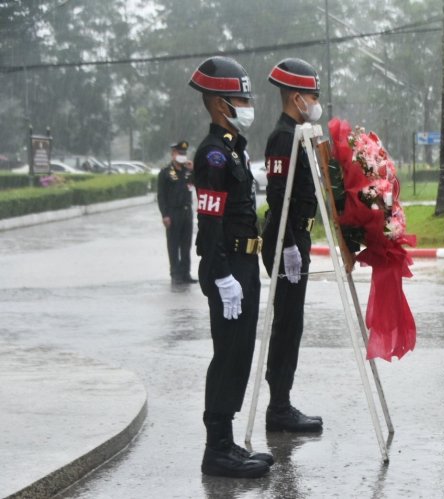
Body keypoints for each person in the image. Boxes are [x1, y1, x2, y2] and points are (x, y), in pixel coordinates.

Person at [188, 55, 273, 478]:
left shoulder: (232, 149)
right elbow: (210, 223)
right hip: (229, 268)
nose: (247, 104)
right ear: (221, 103)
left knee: (239, 352)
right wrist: (221, 275)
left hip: (244, 263)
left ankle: (227, 441)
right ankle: (215, 449)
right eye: (240, 98)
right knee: (227, 355)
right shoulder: (213, 156)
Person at [261, 58, 323, 433]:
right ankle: (278, 407)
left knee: (292, 322)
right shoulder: (284, 137)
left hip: (297, 235)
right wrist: (287, 245)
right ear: (297, 97)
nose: (316, 102)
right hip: (286, 237)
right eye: (313, 95)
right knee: (287, 323)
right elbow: (278, 195)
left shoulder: (300, 131)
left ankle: (281, 402)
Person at [157, 140, 197, 284]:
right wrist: (165, 215)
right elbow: (161, 196)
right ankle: (175, 273)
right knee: (173, 245)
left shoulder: (188, 171)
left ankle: (185, 273)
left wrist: (194, 170)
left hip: (187, 213)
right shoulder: (166, 173)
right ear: (173, 154)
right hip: (173, 213)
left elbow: (199, 184)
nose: (182, 155)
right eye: (180, 153)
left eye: (184, 153)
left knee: (186, 245)